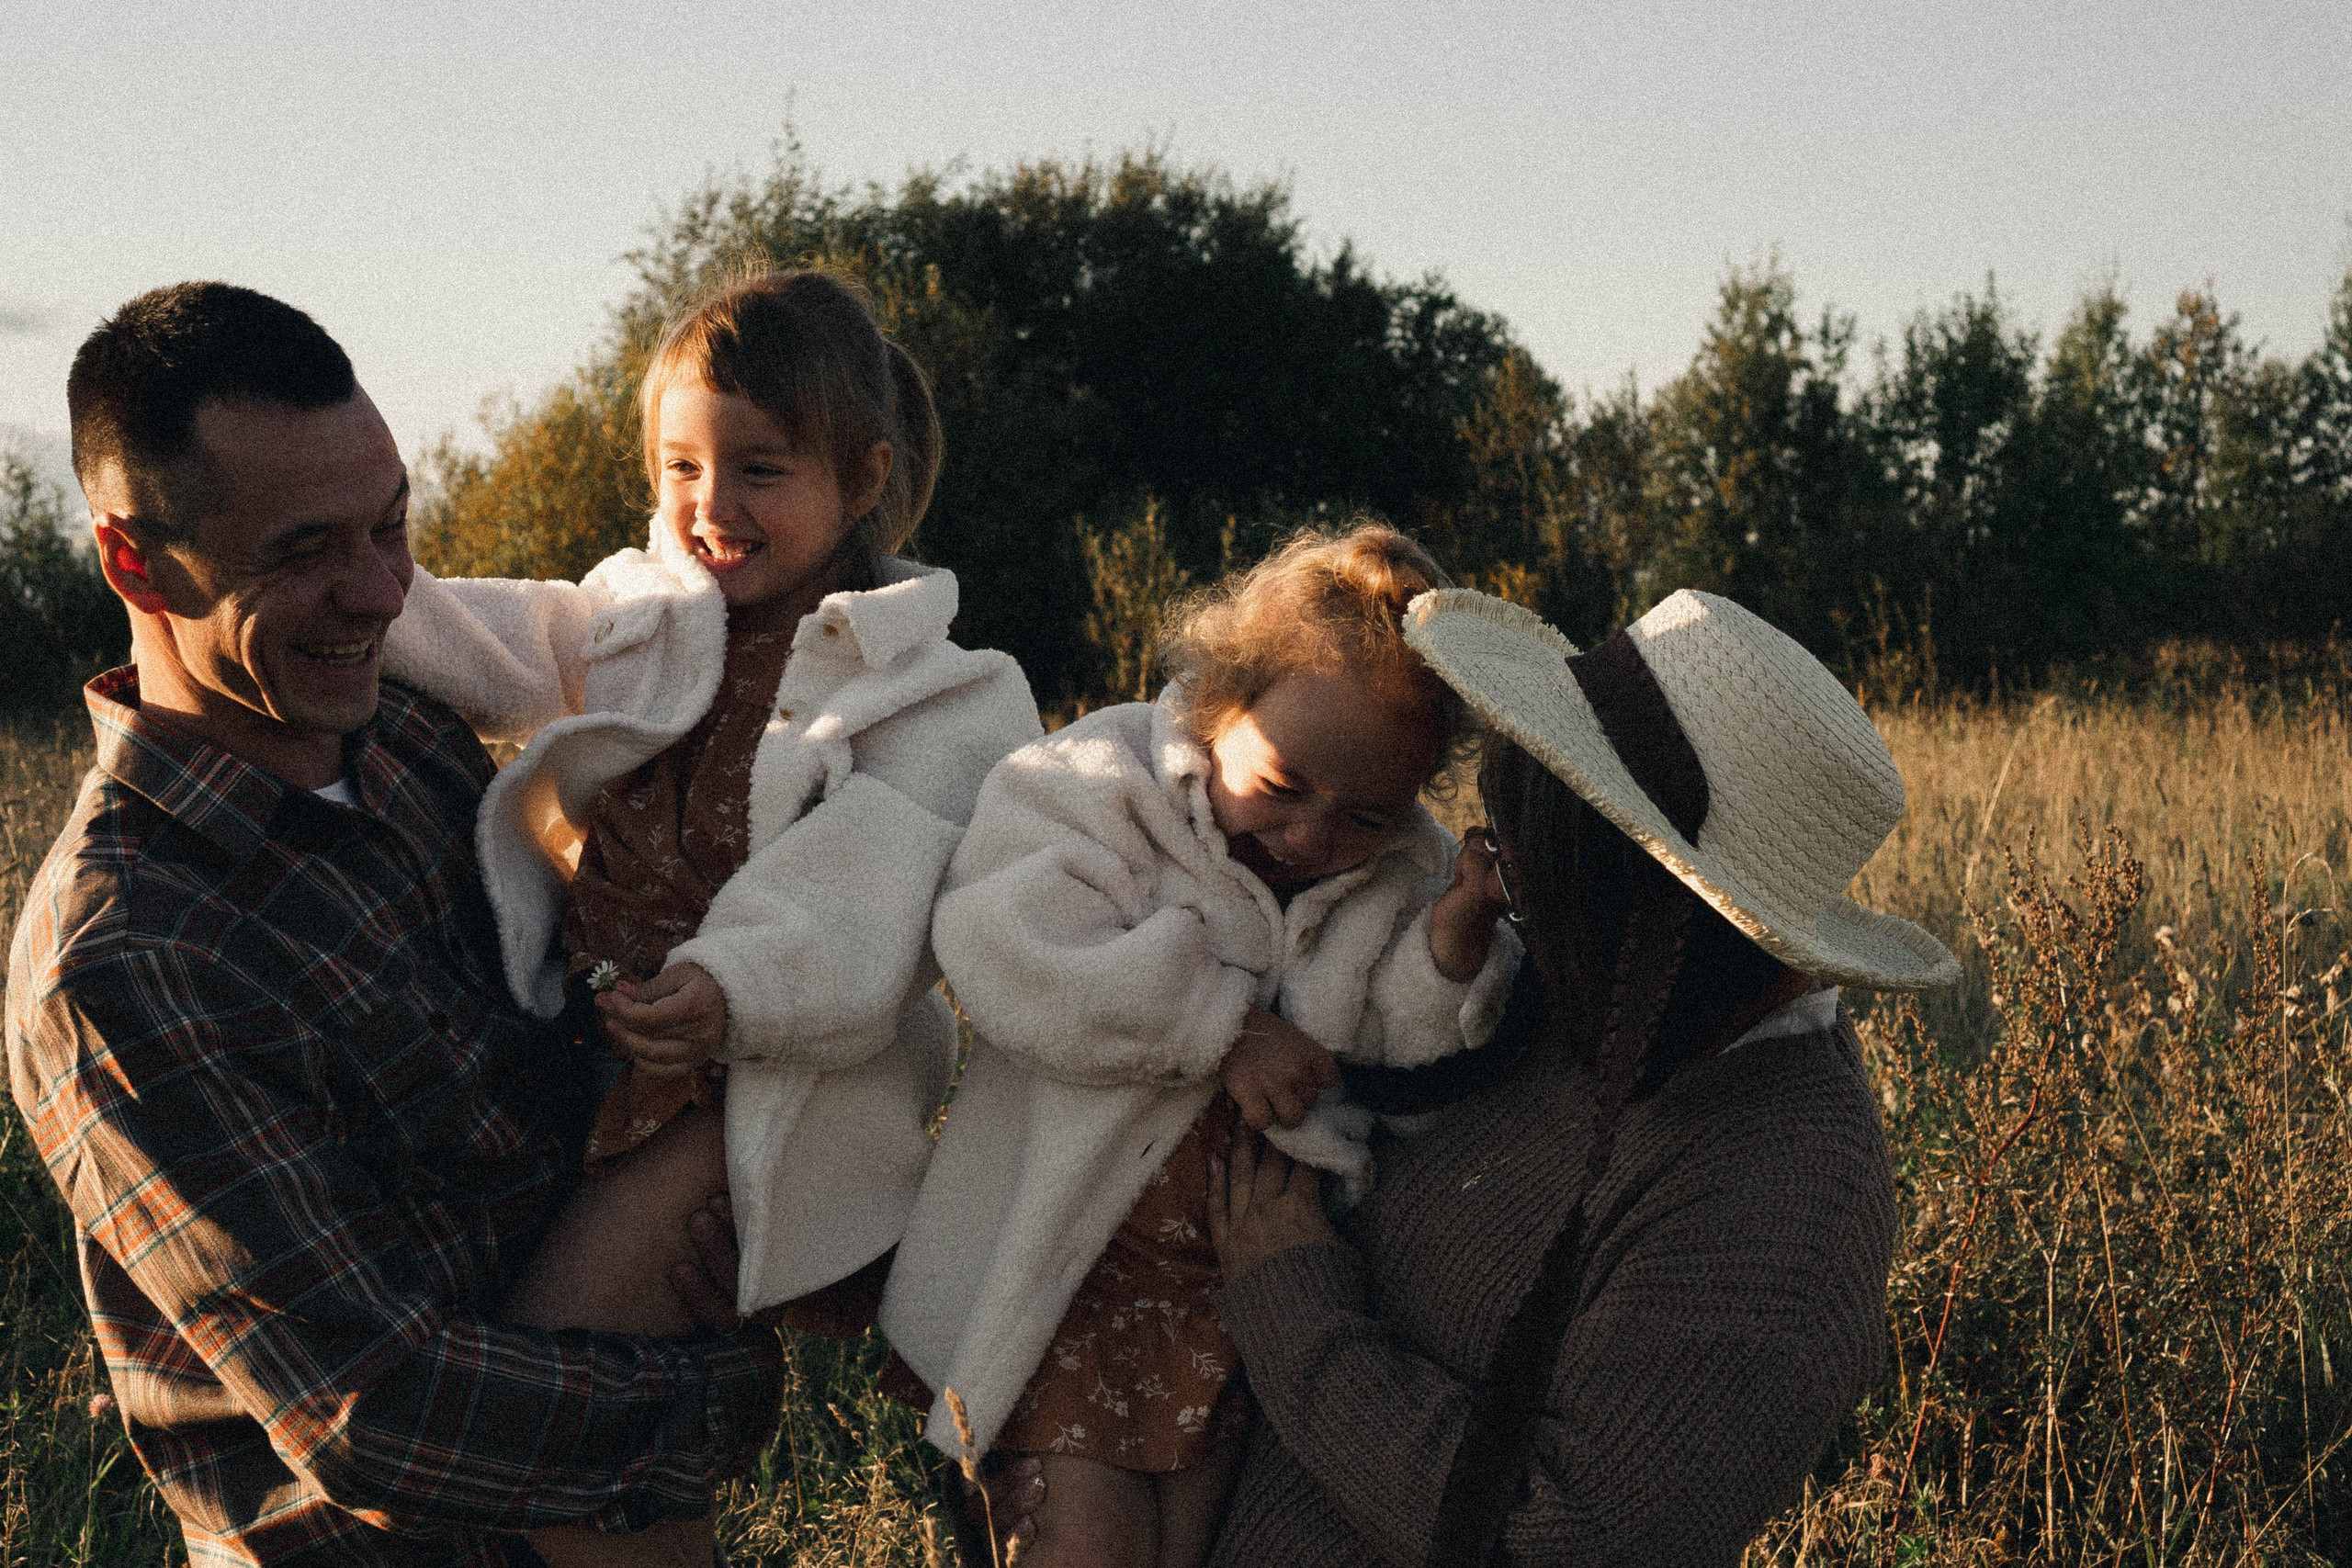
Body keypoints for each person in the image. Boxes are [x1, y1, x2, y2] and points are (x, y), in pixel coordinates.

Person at [5, 281, 782, 1568]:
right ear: (136, 559)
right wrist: (716, 1387)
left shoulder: (409, 739)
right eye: (303, 551)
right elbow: (380, 1412)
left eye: (394, 524)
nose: (378, 591)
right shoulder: (130, 957)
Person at [375, 269, 1042, 1565]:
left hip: (746, 1094)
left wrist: (735, 982)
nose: (711, 507)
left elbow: (871, 884)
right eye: (680, 465)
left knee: (558, 1401)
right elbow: (498, 631)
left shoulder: (938, 686)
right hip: (598, 1066)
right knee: (638, 1450)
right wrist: (351, 591)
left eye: (759, 470)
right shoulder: (647, 615)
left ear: (862, 478)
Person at [1195, 586, 1960, 1566]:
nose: (1499, 878)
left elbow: (1564, 1540)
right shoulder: (1560, 995)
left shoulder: (1784, 1189)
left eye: (1539, 859)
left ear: (1642, 890)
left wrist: (1289, 1302)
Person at [880, 525, 1523, 1568]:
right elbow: (1006, 944)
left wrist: (1451, 943)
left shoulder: (1401, 871)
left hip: (1229, 1299)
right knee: (1086, 1546)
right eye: (1281, 787)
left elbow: (1395, 1056)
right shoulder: (1097, 780)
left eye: (1363, 815)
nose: (1312, 839)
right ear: (1219, 705)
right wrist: (1220, 1025)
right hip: (1068, 1269)